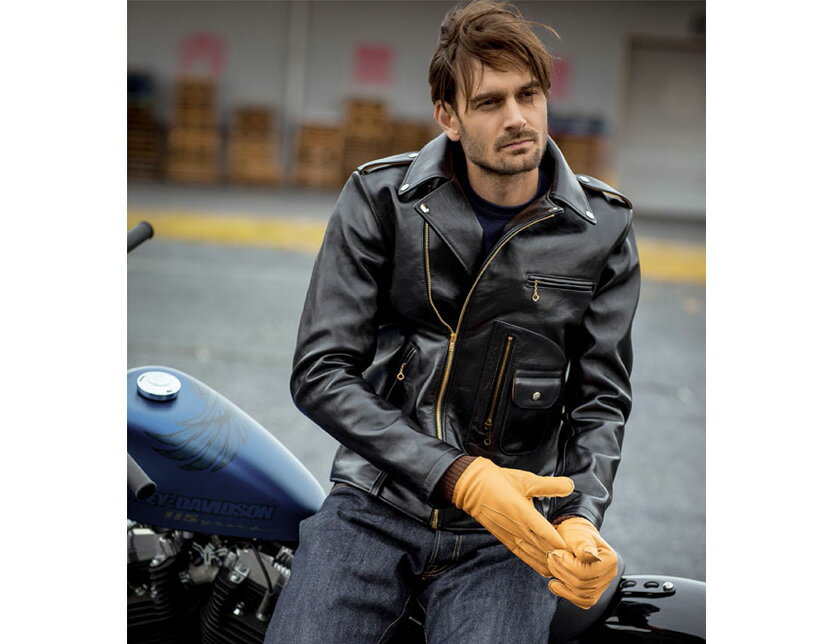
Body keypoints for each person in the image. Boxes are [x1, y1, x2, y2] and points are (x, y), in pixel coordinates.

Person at [265, 1, 640, 642]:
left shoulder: (601, 227)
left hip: (512, 531)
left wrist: (579, 516)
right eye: (490, 102)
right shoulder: (382, 198)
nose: (517, 117)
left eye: (528, 94)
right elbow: (321, 372)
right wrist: (459, 478)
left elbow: (599, 399)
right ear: (449, 117)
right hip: (375, 502)